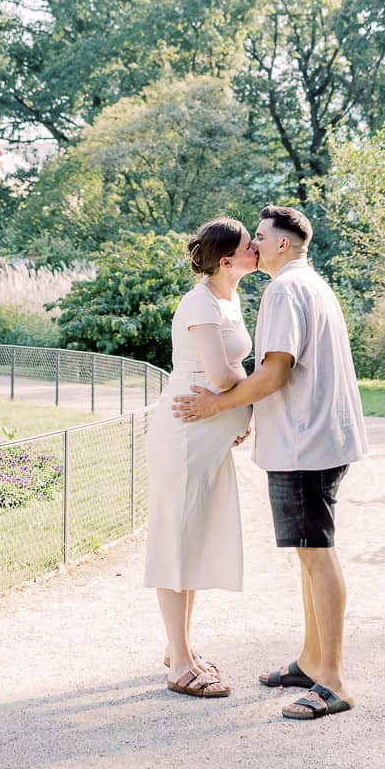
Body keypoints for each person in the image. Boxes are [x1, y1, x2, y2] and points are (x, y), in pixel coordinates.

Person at [173, 204, 367, 721]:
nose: (253, 246)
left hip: (305, 443)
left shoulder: (284, 290)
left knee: (316, 554)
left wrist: (217, 406)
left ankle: (333, 681)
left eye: (259, 237)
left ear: (283, 244)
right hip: (320, 437)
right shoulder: (311, 284)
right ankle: (310, 660)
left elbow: (276, 372)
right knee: (309, 553)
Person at [143, 216, 256, 698]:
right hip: (186, 436)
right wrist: (243, 392)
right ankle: (179, 664)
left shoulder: (230, 298)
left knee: (192, 541)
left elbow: (231, 373)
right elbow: (221, 374)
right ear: (228, 259)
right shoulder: (199, 301)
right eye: (251, 244)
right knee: (175, 542)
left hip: (208, 437)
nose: (259, 248)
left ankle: (180, 646)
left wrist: (238, 414)